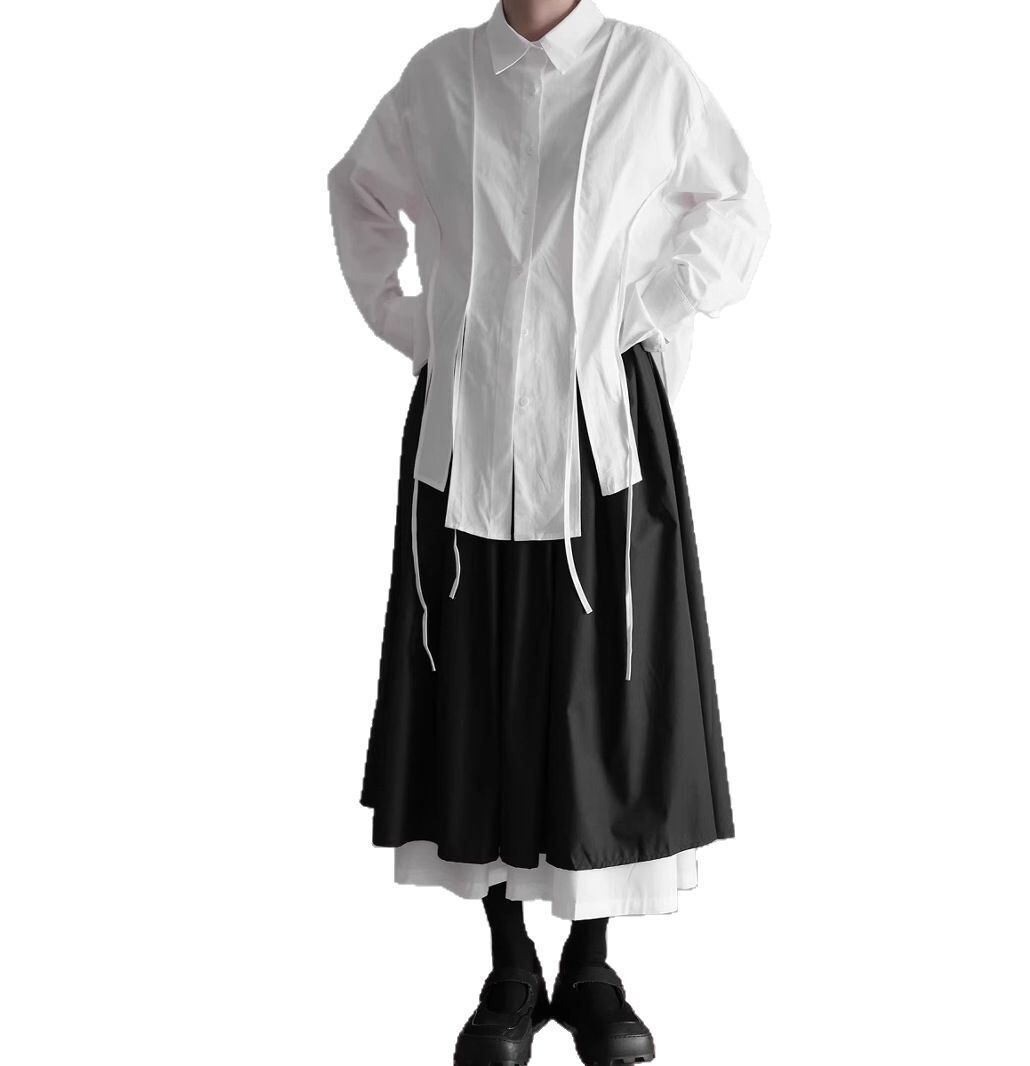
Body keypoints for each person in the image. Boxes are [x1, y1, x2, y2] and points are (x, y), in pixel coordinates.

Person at [327, 0, 769, 1062]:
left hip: (604, 433)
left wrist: (639, 315)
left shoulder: (645, 72)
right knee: (483, 679)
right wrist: (416, 322)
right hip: (470, 428)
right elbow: (358, 192)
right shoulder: (439, 79)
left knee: (599, 687)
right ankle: (509, 964)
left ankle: (591, 965)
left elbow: (736, 208)